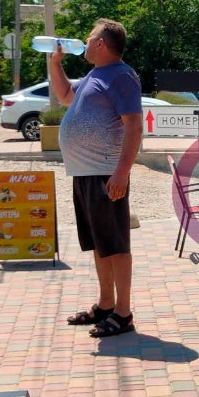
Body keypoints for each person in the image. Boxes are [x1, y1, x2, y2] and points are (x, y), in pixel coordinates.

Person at [48, 18, 143, 337]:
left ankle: (123, 313)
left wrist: (121, 173)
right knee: (101, 245)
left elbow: (134, 127)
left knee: (116, 245)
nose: (85, 42)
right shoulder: (94, 75)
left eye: (90, 38)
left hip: (105, 173)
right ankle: (105, 304)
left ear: (101, 43)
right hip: (85, 173)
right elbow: (65, 95)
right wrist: (55, 62)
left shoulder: (121, 76)